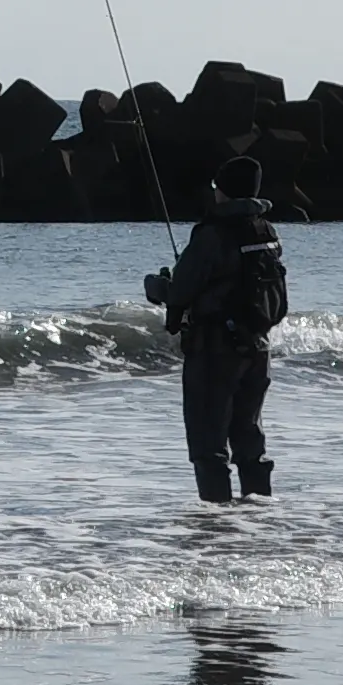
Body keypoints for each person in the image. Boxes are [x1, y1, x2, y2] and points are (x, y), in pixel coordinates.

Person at [145, 166, 285, 503]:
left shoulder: (212, 234)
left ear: (222, 189)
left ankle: (217, 524)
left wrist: (156, 286)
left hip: (215, 350)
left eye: (215, 186)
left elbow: (180, 291)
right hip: (257, 346)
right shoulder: (266, 230)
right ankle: (258, 517)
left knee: (208, 447)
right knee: (250, 442)